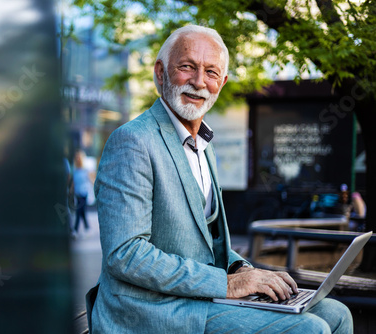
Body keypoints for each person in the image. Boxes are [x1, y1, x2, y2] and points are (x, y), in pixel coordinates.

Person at [86, 25, 352, 333]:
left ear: (222, 83)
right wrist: (226, 283)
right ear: (160, 73)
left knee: (337, 313)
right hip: (149, 310)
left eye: (211, 72)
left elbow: (208, 243)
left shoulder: (203, 146)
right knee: (310, 329)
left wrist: (242, 267)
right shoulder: (132, 141)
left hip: (195, 299)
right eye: (187, 67)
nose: (199, 82)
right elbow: (125, 255)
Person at [72, 150, 91, 236]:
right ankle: (87, 228)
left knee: (78, 211)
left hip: (84, 194)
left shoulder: (86, 170)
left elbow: (91, 181)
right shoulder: (75, 170)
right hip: (77, 193)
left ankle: (75, 230)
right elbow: (73, 183)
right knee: (82, 212)